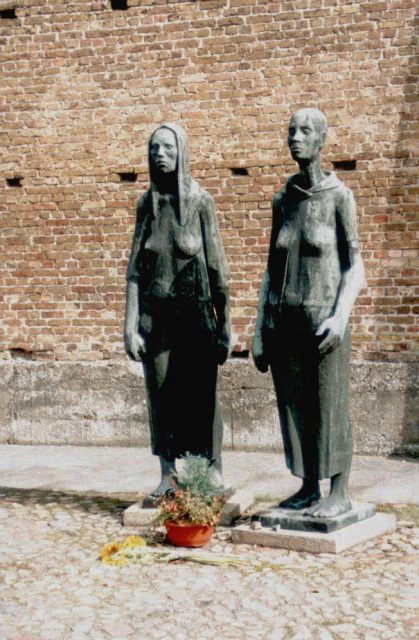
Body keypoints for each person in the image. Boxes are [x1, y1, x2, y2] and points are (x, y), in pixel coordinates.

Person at [252, 108, 365, 518]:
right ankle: (306, 487)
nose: (296, 138)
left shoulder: (339, 197)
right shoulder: (283, 200)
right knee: (294, 406)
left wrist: (341, 315)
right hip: (285, 320)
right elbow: (270, 269)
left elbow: (355, 266)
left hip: (324, 321)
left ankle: (340, 491)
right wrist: (259, 329)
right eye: (291, 131)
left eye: (305, 131)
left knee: (330, 405)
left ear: (321, 140)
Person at [124, 123, 231, 501]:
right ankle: (168, 472)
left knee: (201, 392)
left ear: (181, 152)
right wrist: (130, 325)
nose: (159, 154)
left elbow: (218, 265)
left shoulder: (201, 202)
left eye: (167, 147)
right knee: (161, 394)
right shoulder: (146, 206)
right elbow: (135, 270)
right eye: (154, 148)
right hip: (156, 319)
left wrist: (226, 323)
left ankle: (211, 469)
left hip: (196, 315)